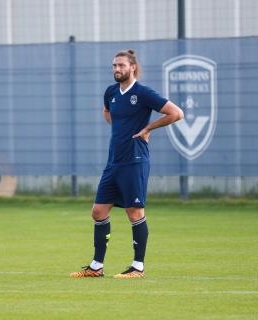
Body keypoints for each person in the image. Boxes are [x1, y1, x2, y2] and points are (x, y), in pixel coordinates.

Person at [70, 49, 183, 279]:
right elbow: (107, 111)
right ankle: (96, 266)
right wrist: (120, 130)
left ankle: (137, 267)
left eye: (121, 65)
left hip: (135, 161)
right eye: (114, 66)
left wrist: (148, 128)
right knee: (98, 212)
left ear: (133, 67)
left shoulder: (143, 93)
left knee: (135, 212)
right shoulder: (111, 92)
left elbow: (176, 113)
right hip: (114, 162)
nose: (116, 70)